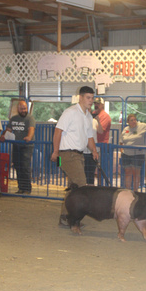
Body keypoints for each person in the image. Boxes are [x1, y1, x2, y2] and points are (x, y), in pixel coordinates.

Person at [51, 86, 98, 226]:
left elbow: (89, 137)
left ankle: (65, 217)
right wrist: (55, 151)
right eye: (88, 98)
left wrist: (94, 151)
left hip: (79, 155)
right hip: (67, 154)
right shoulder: (70, 112)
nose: (91, 101)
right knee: (81, 186)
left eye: (92, 98)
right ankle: (73, 218)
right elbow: (58, 131)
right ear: (81, 97)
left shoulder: (88, 116)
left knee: (73, 187)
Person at [0, 100, 36, 194]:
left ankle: (27, 188)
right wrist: (3, 136)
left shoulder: (29, 118)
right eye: (22, 108)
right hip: (16, 145)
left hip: (26, 146)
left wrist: (29, 137)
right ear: (18, 109)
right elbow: (8, 129)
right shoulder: (13, 118)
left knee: (25, 166)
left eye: (25, 108)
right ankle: (21, 187)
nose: (24, 110)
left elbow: (31, 129)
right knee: (17, 166)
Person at [119, 114, 146, 191]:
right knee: (127, 172)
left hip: (138, 154)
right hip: (126, 154)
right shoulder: (125, 129)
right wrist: (122, 151)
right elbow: (121, 142)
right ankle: (127, 191)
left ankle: (135, 191)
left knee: (136, 173)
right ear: (128, 122)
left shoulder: (141, 126)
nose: (134, 121)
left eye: (135, 119)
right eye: (131, 120)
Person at [92, 97, 111, 185]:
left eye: (98, 104)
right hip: (93, 144)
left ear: (102, 105)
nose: (96, 105)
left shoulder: (105, 116)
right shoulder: (93, 114)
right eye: (95, 103)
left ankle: (100, 186)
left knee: (100, 168)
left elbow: (100, 130)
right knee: (93, 167)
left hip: (102, 146)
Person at [83, 113, 98, 185]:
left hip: (92, 151)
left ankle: (90, 189)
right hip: (82, 150)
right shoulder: (80, 120)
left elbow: (101, 131)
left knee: (91, 172)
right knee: (83, 171)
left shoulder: (94, 121)